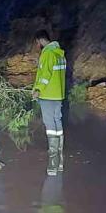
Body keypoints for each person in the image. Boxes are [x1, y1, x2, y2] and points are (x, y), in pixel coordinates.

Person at [32, 29, 67, 175]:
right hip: (58, 94)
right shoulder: (59, 54)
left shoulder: (47, 54)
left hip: (47, 95)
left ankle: (53, 162)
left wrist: (37, 89)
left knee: (50, 125)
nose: (37, 45)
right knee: (57, 122)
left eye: (37, 43)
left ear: (40, 40)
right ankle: (59, 159)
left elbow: (45, 75)